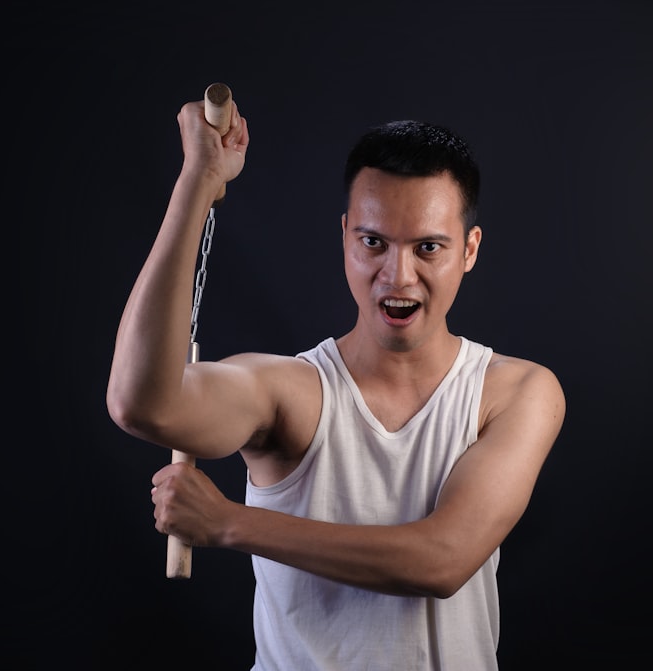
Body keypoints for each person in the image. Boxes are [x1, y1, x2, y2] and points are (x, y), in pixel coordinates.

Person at [106, 95, 565, 670]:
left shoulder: (516, 392)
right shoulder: (290, 392)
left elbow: (442, 560)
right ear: (346, 237)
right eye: (374, 242)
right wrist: (197, 182)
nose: (398, 276)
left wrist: (229, 524)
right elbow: (138, 402)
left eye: (428, 247)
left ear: (468, 250)